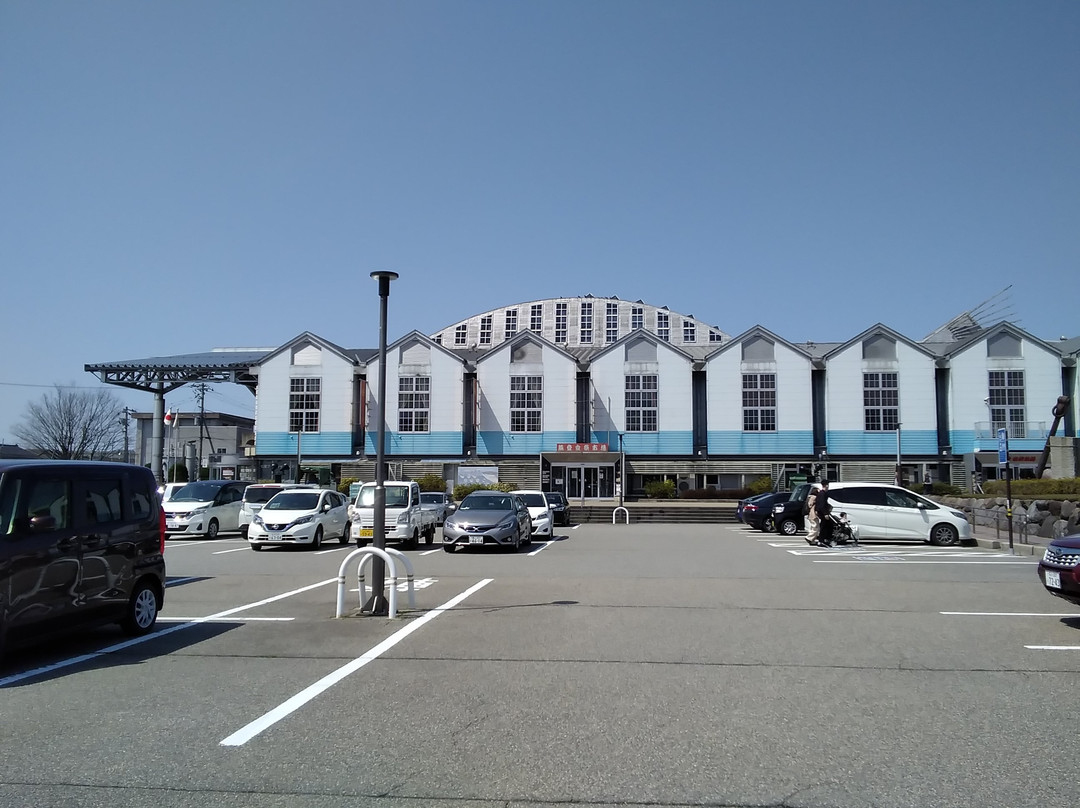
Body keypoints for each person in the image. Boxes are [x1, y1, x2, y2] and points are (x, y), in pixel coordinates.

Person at [814, 480, 833, 546]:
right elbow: (822, 504)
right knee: (825, 526)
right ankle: (822, 540)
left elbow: (817, 503)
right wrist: (825, 513)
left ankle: (823, 539)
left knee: (826, 525)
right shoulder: (823, 494)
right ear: (826, 485)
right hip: (823, 512)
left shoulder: (821, 493)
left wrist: (816, 510)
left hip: (821, 512)